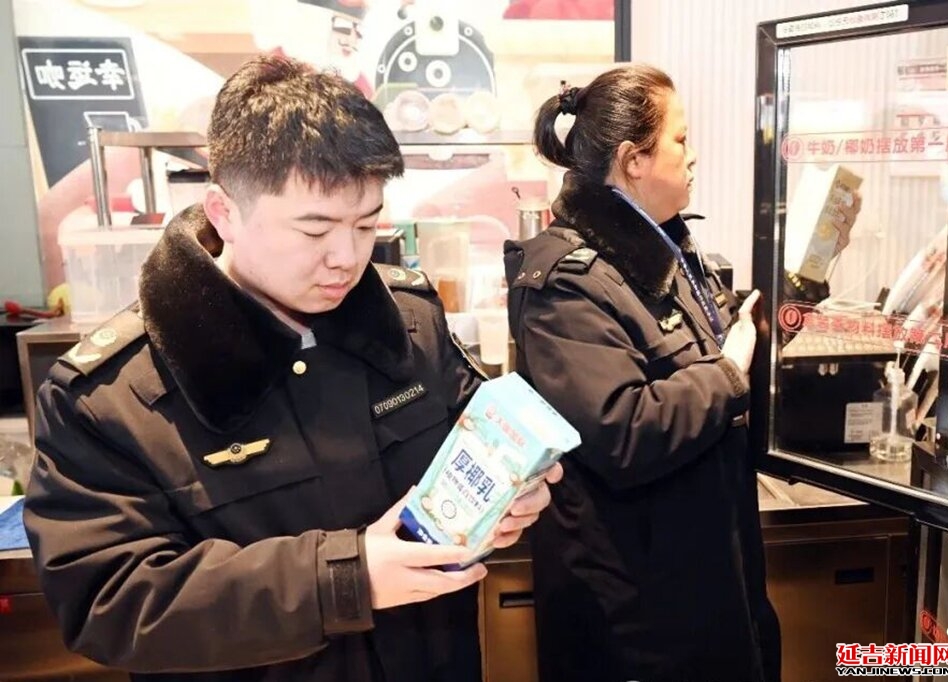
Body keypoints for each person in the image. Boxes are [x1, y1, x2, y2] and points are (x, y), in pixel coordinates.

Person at [24, 55, 560, 682]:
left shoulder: (409, 322)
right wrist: (345, 579)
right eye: (314, 230)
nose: (346, 258)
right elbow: (110, 601)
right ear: (224, 212)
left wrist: (510, 489)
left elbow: (476, 439)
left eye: (367, 224)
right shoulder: (112, 395)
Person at [504, 65, 780, 682]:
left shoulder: (666, 251)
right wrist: (729, 373)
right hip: (636, 616)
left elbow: (685, 360)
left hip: (703, 577)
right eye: (681, 140)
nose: (693, 155)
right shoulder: (566, 282)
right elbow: (622, 430)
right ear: (633, 160)